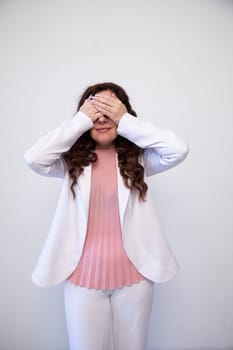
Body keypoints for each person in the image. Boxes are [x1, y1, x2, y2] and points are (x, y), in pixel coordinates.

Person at [24, 82, 188, 350]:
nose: (101, 118)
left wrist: (125, 120)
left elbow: (178, 149)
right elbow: (33, 158)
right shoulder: (70, 164)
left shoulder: (140, 160)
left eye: (109, 110)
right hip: (81, 278)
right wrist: (79, 121)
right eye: (95, 110)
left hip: (135, 276)